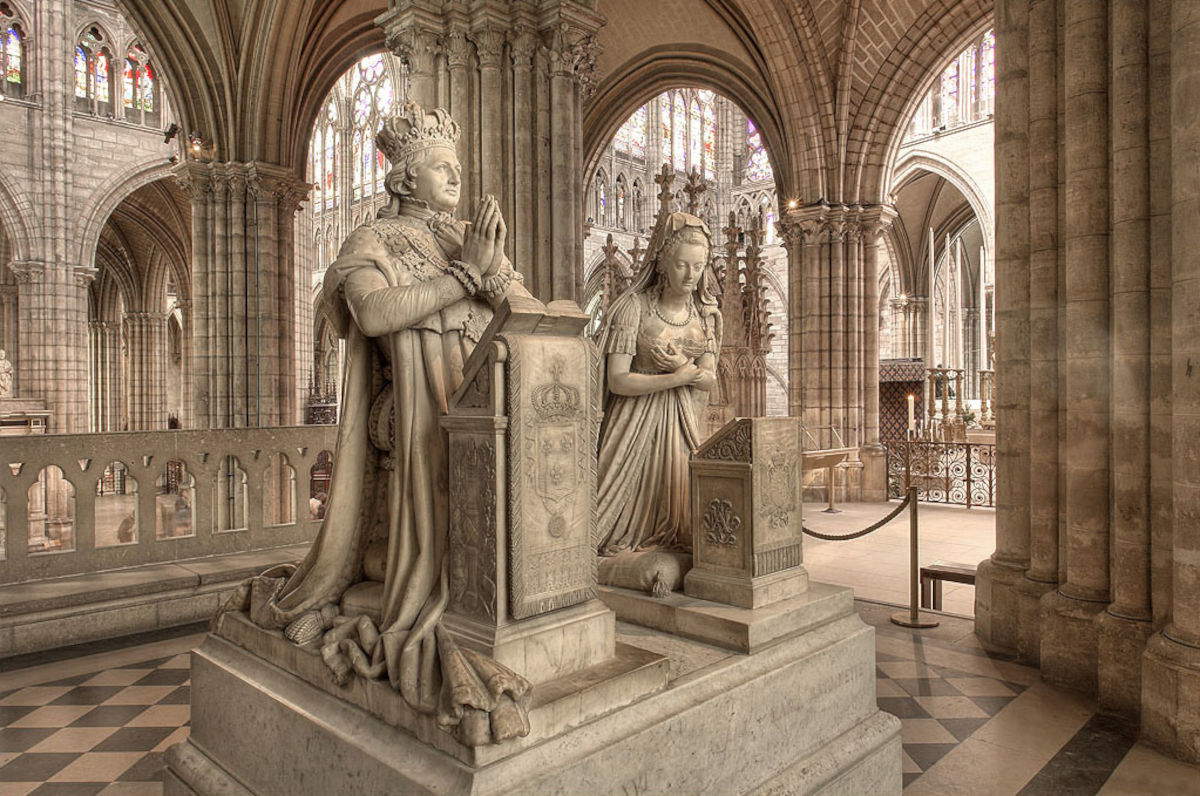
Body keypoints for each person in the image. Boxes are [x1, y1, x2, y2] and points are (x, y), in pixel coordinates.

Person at [226, 101, 535, 745]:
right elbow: (372, 314)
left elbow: (527, 311)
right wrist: (466, 277)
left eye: (456, 166)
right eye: (442, 166)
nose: (456, 176)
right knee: (432, 542)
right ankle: (404, 588)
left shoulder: (464, 238)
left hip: (486, 408)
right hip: (420, 415)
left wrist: (504, 281)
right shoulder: (372, 240)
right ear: (405, 177)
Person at [594, 212, 721, 556]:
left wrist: (682, 368)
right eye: (682, 265)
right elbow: (617, 380)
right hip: (632, 423)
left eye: (699, 266)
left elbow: (709, 379)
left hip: (680, 423)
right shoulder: (632, 308)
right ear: (663, 262)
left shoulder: (705, 313)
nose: (691, 275)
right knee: (611, 525)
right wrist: (675, 379)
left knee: (674, 512)